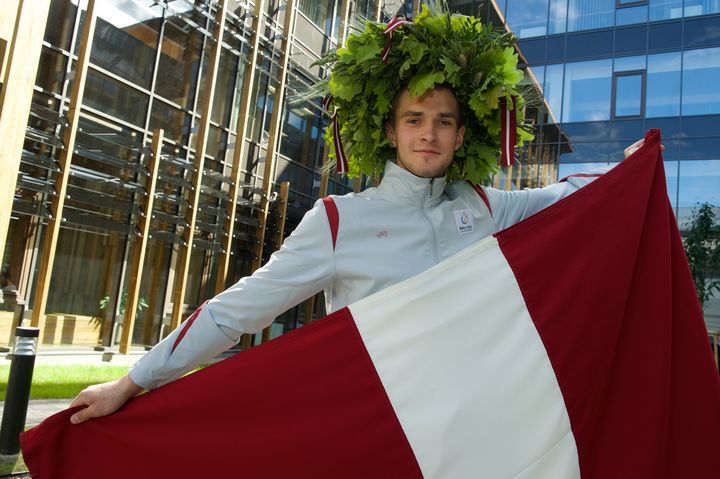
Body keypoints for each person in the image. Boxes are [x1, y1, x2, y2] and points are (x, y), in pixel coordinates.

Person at [68, 8, 651, 425]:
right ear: (391, 131)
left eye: (443, 121)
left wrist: (631, 168)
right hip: (373, 425)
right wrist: (132, 381)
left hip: (470, 427)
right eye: (414, 119)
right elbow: (235, 312)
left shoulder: (483, 205)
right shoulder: (336, 220)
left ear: (460, 135)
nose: (428, 133)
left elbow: (568, 195)